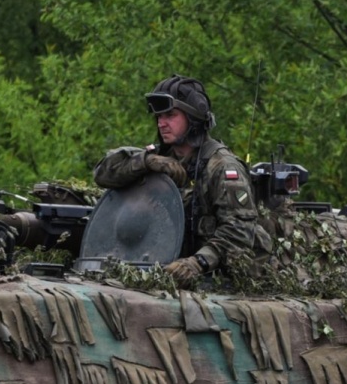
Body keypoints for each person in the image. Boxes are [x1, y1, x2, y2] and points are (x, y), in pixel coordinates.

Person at [93, 75, 270, 286]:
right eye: (158, 116)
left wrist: (197, 263)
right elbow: (102, 173)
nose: (161, 123)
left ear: (193, 118)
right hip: (161, 271)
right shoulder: (159, 159)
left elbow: (239, 232)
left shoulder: (222, 168)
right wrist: (145, 162)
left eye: (170, 115)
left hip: (215, 280)